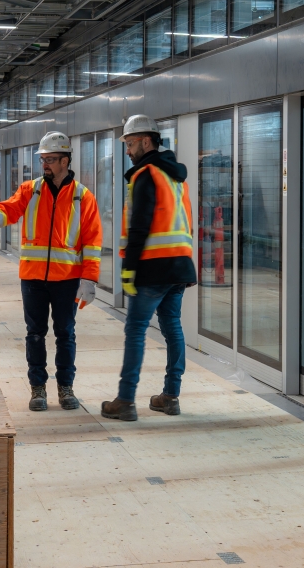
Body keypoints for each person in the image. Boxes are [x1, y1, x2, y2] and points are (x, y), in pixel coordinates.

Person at [0, 132, 102, 412]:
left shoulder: (83, 197)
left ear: (65, 161)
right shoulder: (30, 190)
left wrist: (89, 279)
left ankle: (66, 387)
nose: (44, 164)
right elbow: (5, 211)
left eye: (50, 159)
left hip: (67, 279)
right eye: (42, 159)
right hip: (32, 277)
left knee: (65, 334)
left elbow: (92, 241)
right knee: (35, 333)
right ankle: (38, 388)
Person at [101, 115, 197, 422]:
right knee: (173, 329)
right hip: (180, 266)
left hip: (154, 267)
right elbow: (187, 223)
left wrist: (128, 269)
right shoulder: (176, 177)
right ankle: (170, 397)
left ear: (146, 141)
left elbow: (139, 226)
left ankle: (126, 400)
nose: (127, 151)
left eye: (130, 144)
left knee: (136, 330)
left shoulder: (145, 175)